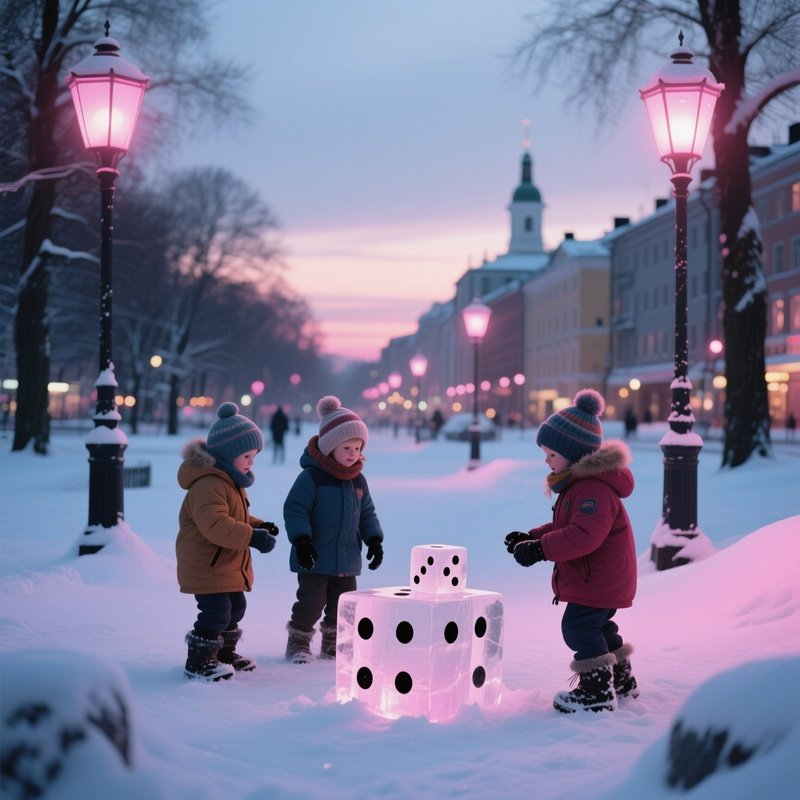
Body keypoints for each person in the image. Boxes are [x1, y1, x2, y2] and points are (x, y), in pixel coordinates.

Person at [503, 389, 638, 713]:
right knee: (599, 628)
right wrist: (532, 537)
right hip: (601, 577)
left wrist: (540, 550)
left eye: (551, 454)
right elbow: (568, 524)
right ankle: (620, 681)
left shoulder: (592, 489)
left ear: (573, 453)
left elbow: (584, 536)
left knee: (578, 627)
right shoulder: (581, 484)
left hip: (599, 578)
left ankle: (597, 692)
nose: (546, 460)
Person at [176, 402, 280, 681]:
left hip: (225, 564)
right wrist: (252, 537)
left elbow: (237, 515)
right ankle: (198, 660)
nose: (251, 462)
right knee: (216, 612)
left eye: (254, 456)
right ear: (227, 454)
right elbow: (216, 525)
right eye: (246, 455)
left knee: (236, 608)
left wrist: (259, 525)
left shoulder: (228, 482)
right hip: (207, 564)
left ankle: (222, 653)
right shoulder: (208, 484)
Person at [283, 395, 385, 663]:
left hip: (347, 558)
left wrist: (374, 539)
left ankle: (334, 645)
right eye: (346, 448)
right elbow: (295, 509)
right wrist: (302, 541)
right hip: (315, 558)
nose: (352, 454)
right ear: (330, 448)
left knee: (344, 607)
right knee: (310, 604)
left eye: (357, 448)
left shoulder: (358, 479)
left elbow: (367, 513)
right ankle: (298, 643)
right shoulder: (312, 477)